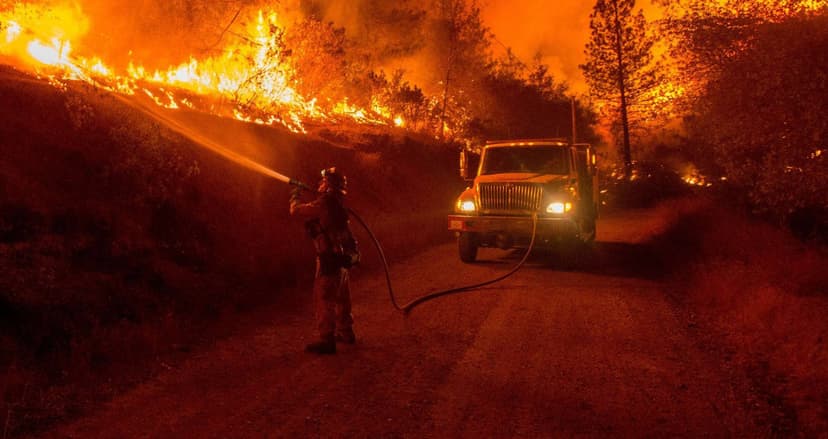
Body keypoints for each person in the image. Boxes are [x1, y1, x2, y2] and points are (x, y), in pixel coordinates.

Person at [289, 167, 356, 355]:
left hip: (328, 259)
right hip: (341, 260)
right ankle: (346, 332)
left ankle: (327, 340)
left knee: (324, 298)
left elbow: (296, 211)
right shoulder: (338, 202)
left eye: (323, 181)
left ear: (328, 185)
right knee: (343, 298)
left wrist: (295, 194)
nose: (320, 184)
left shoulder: (325, 202)